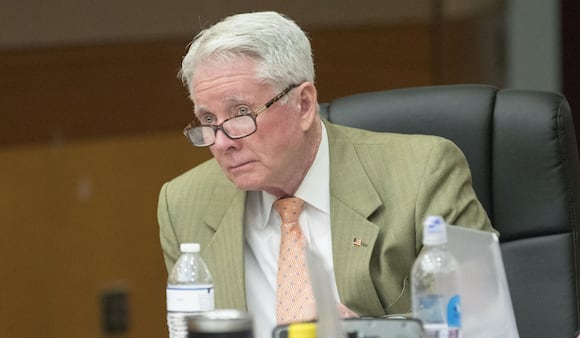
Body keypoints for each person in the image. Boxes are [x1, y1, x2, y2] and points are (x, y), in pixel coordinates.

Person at [157, 11, 494, 338]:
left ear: (303, 105)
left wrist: (365, 332)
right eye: (208, 120)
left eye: (241, 113)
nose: (222, 142)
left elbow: (479, 313)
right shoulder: (184, 204)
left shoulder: (424, 172)